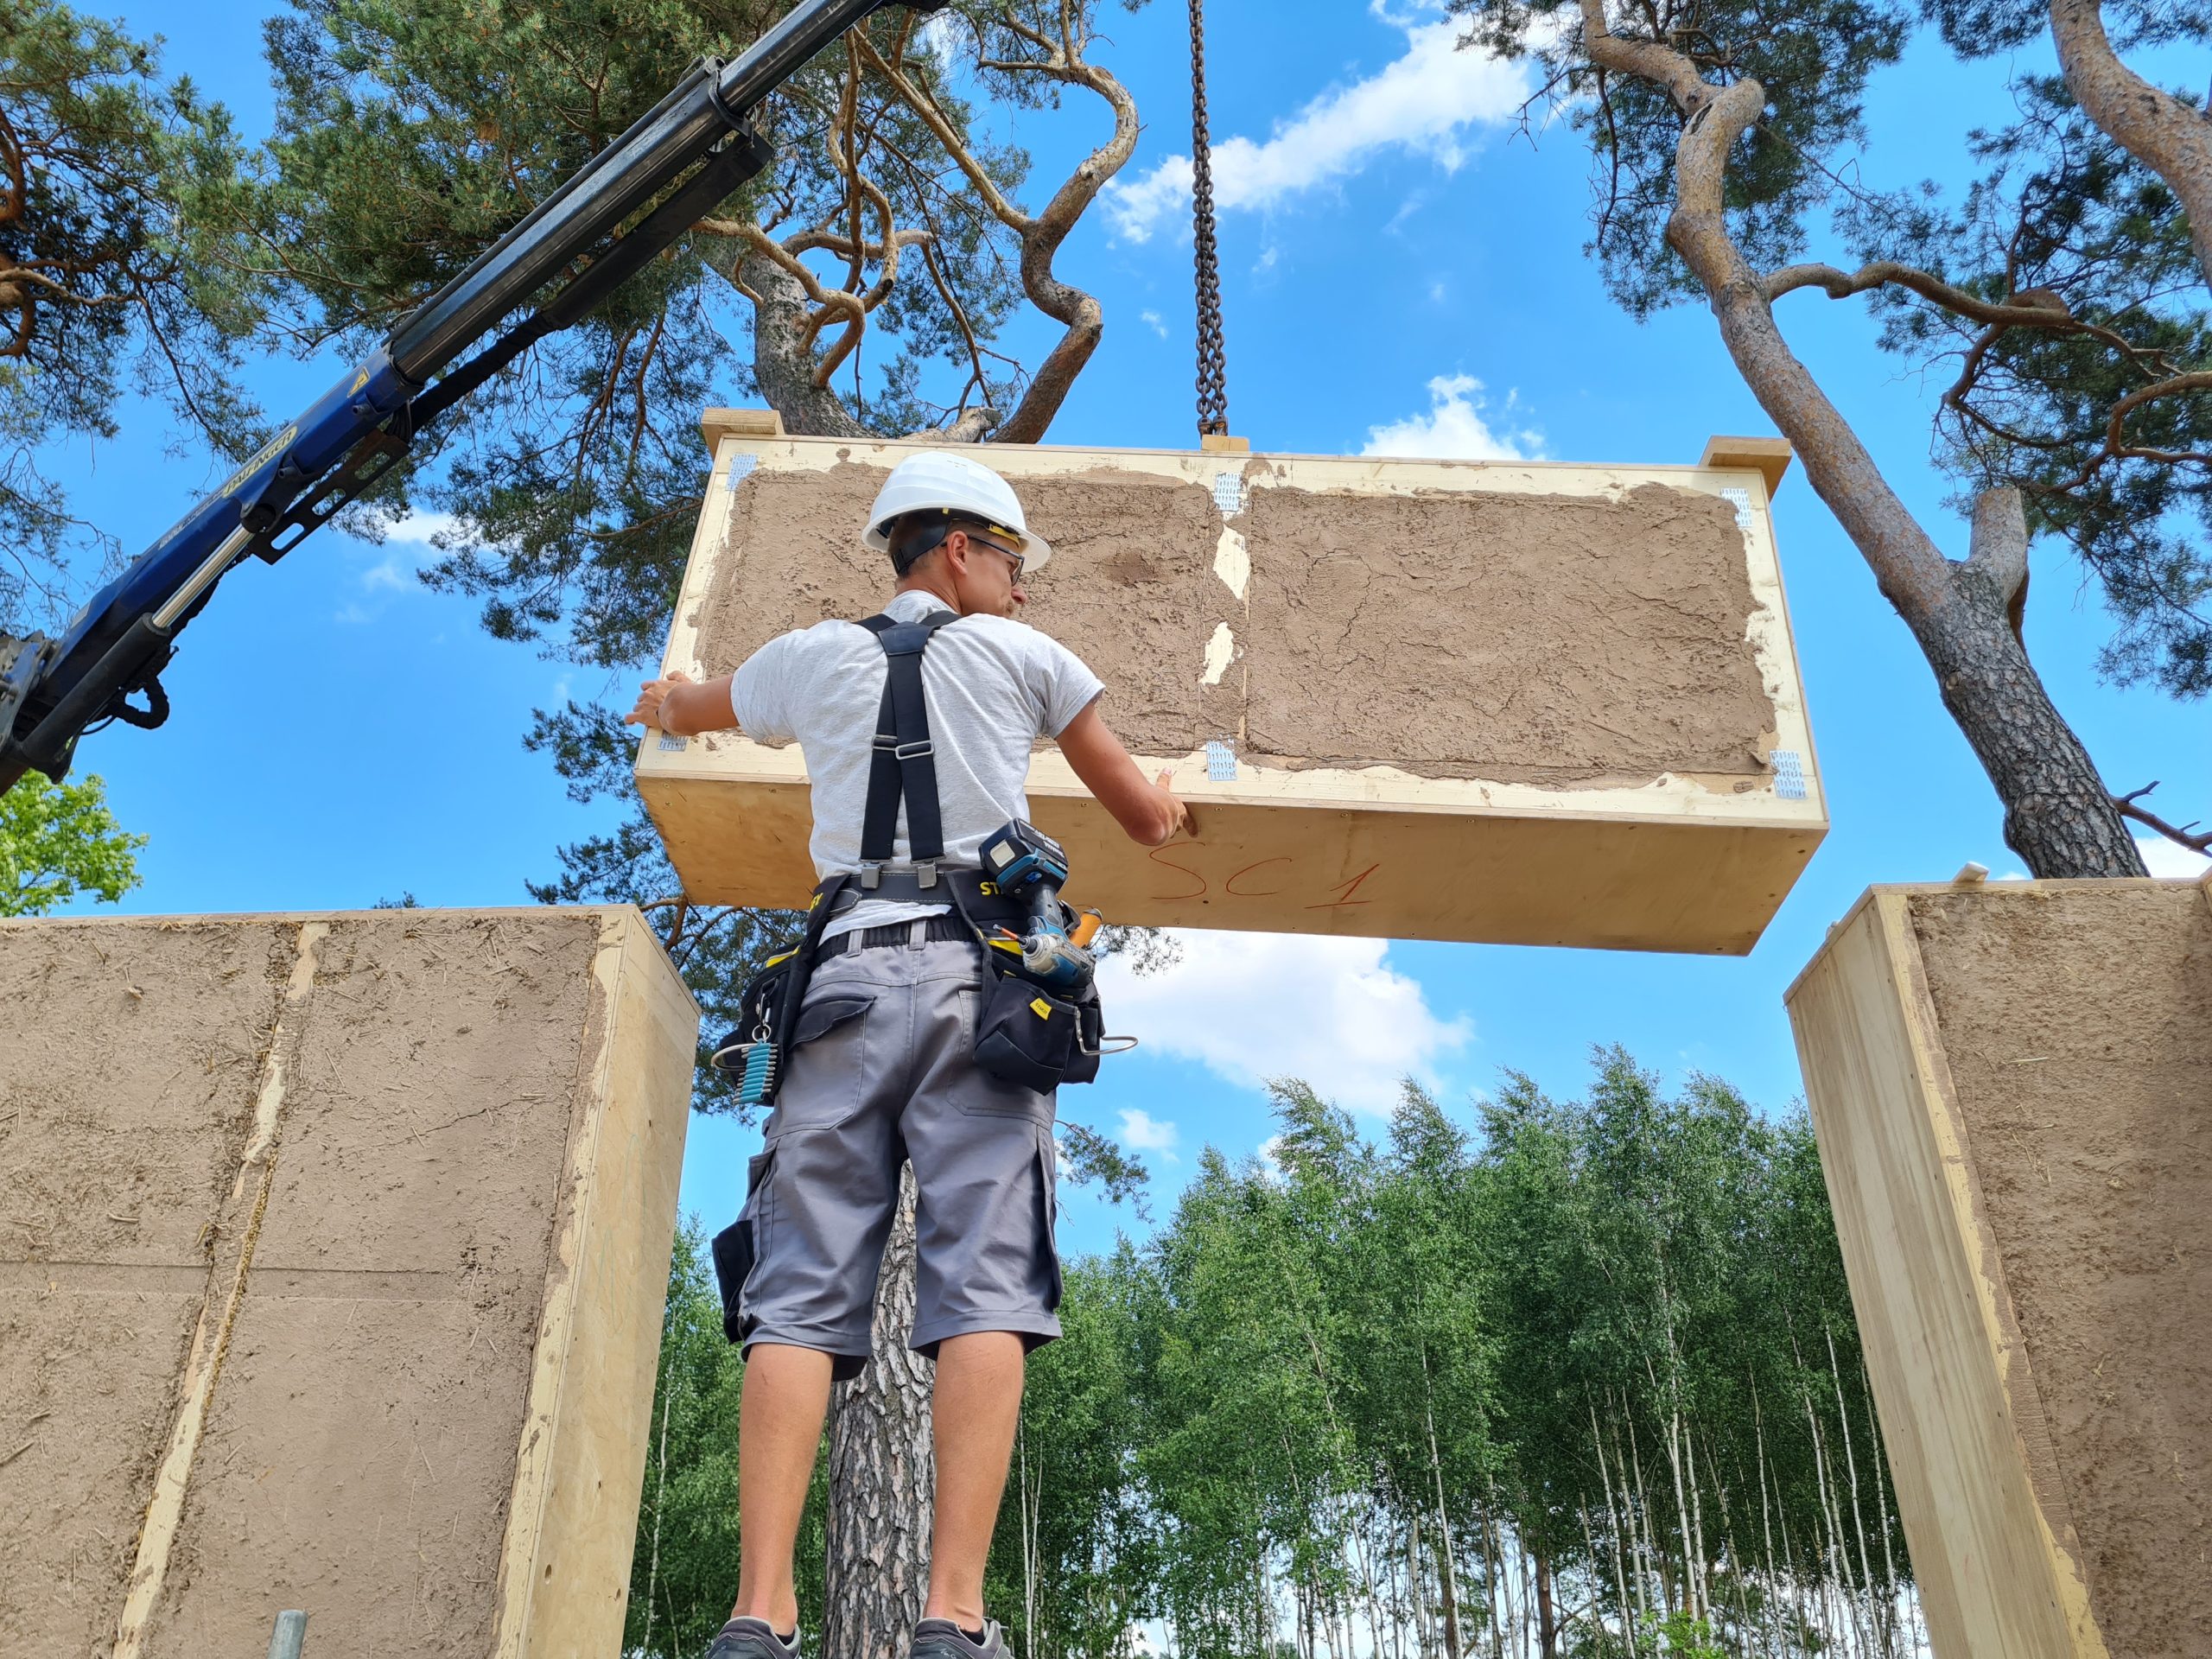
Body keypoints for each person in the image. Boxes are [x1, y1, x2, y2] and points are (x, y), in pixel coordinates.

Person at [625, 449, 1191, 1659]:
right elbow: (1145, 818)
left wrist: (664, 706)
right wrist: (1174, 803)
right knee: (985, 1280)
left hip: (838, 986)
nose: (1023, 589)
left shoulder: (807, 659)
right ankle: (953, 1614)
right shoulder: (1028, 658)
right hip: (983, 989)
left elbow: (694, 706)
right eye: (1014, 562)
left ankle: (759, 1614)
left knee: (795, 1293)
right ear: (959, 549)